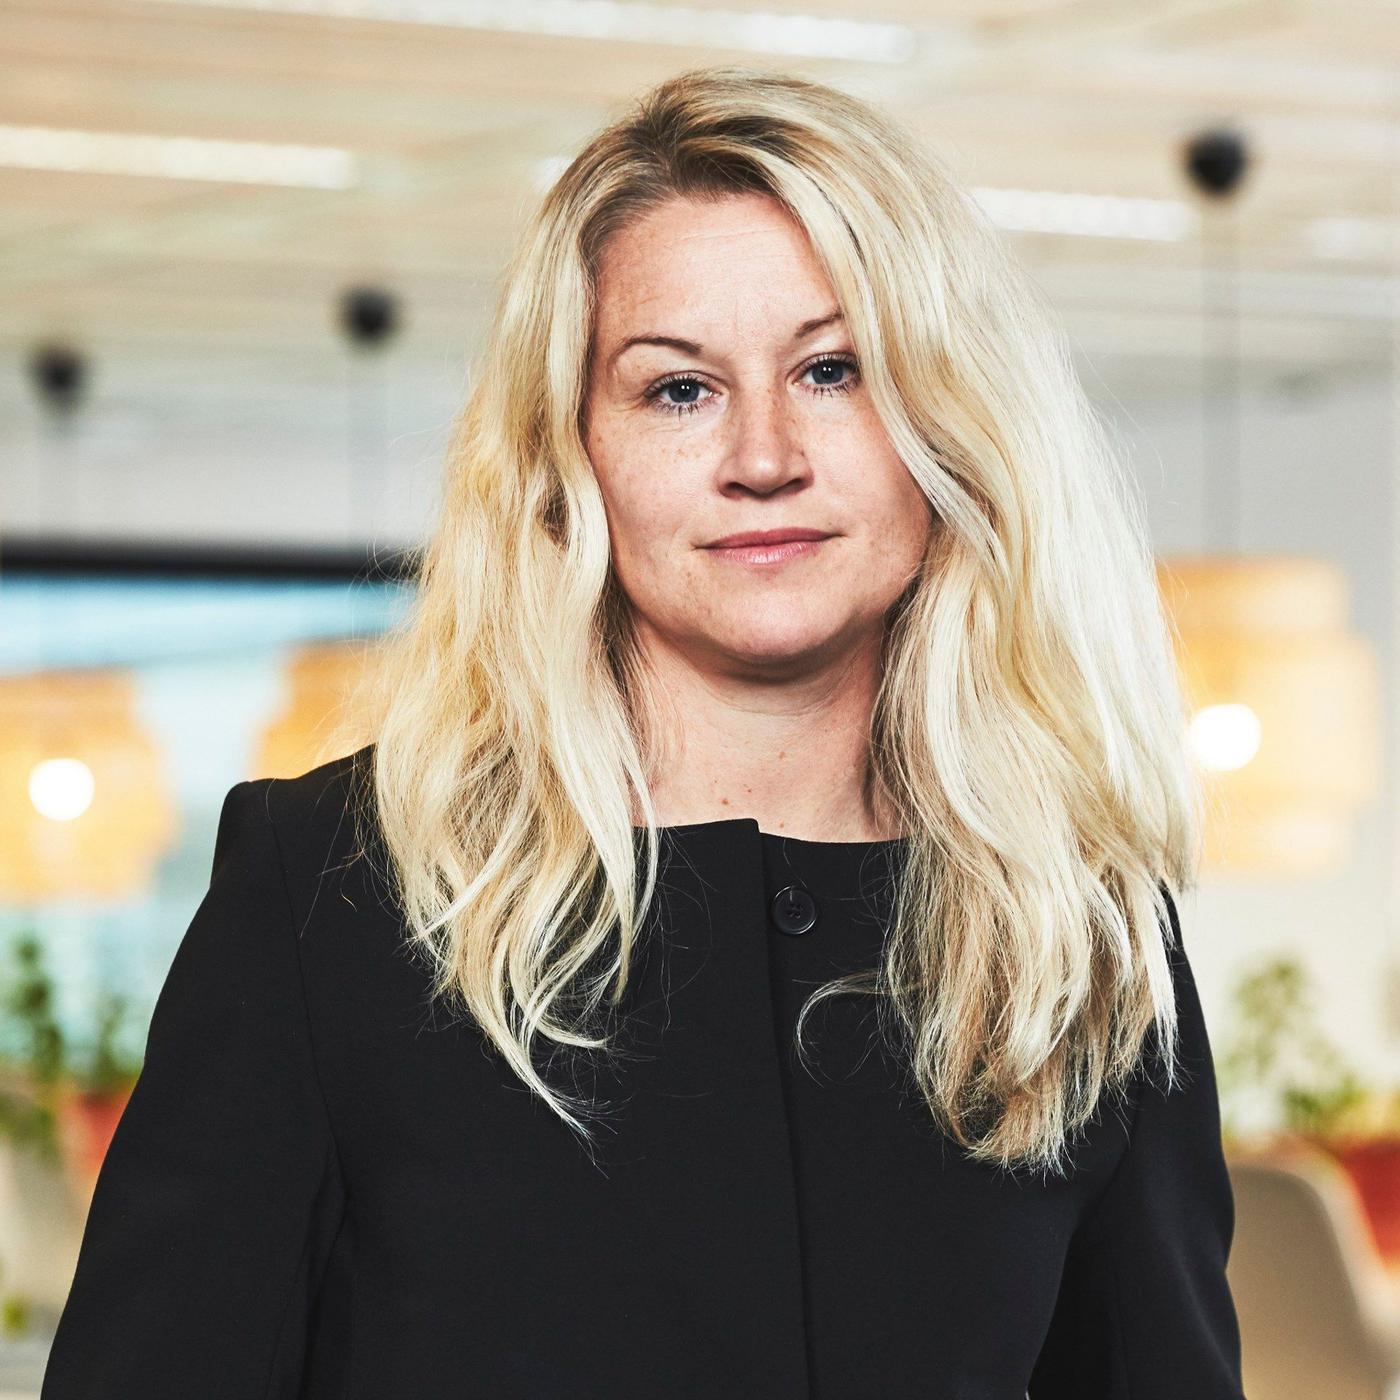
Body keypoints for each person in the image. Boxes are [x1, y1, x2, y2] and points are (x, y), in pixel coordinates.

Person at [41, 64, 1246, 1399]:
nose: (766, 456)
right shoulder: (335, 891)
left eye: (835, 370)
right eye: (679, 390)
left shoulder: (1075, 928)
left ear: (946, 426)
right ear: (574, 455)